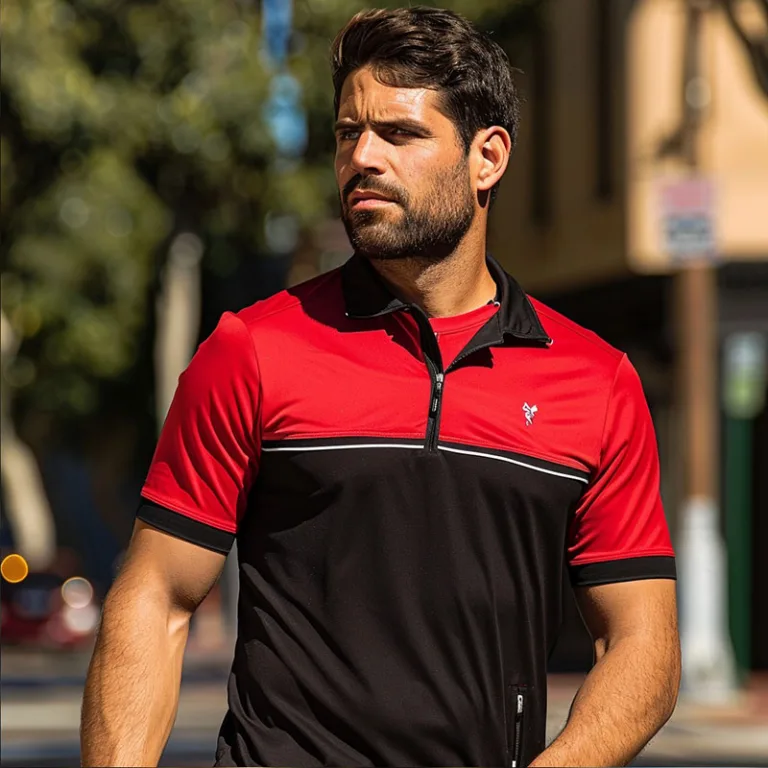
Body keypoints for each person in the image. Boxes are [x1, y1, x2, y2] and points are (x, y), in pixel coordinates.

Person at [80, 7, 681, 767]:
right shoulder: (254, 349)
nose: (362, 156)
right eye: (346, 133)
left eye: (399, 133)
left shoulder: (595, 380)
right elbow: (157, 597)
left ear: (487, 158)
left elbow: (642, 643)